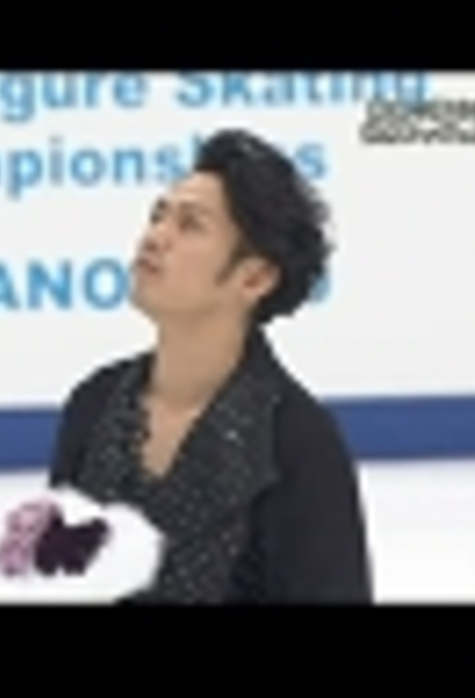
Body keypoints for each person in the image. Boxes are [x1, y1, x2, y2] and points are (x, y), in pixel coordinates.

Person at [47, 128, 373, 604]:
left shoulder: (295, 443)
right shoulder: (94, 406)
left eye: (190, 225)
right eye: (158, 215)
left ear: (255, 277)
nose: (155, 237)